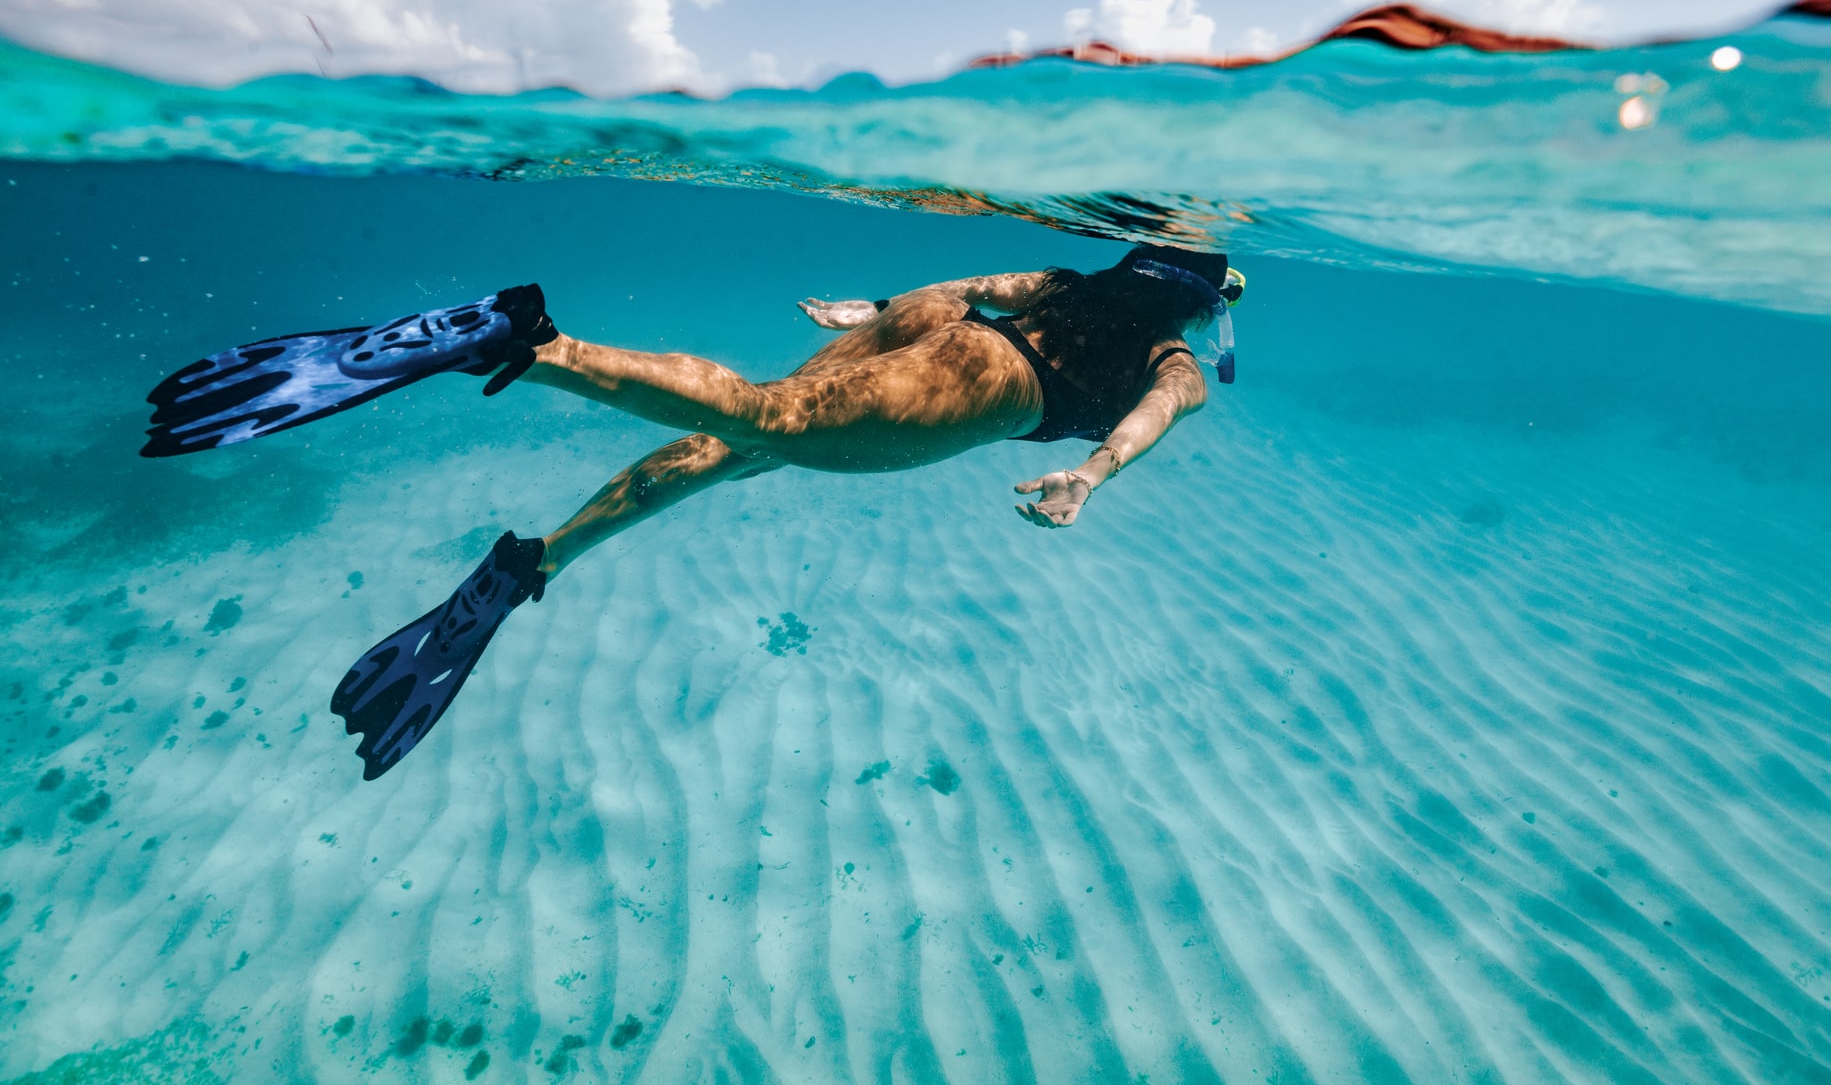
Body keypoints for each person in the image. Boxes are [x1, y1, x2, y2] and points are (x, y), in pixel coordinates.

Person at [141, 245, 1245, 779]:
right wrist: (1089, 475)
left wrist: (876, 313)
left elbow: (968, 288)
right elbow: (1152, 412)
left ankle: (538, 564)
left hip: (935, 333)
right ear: (1203, 302)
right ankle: (524, 343)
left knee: (731, 447)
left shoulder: (1066, 277)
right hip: (989, 386)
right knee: (770, 422)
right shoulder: (1176, 355)